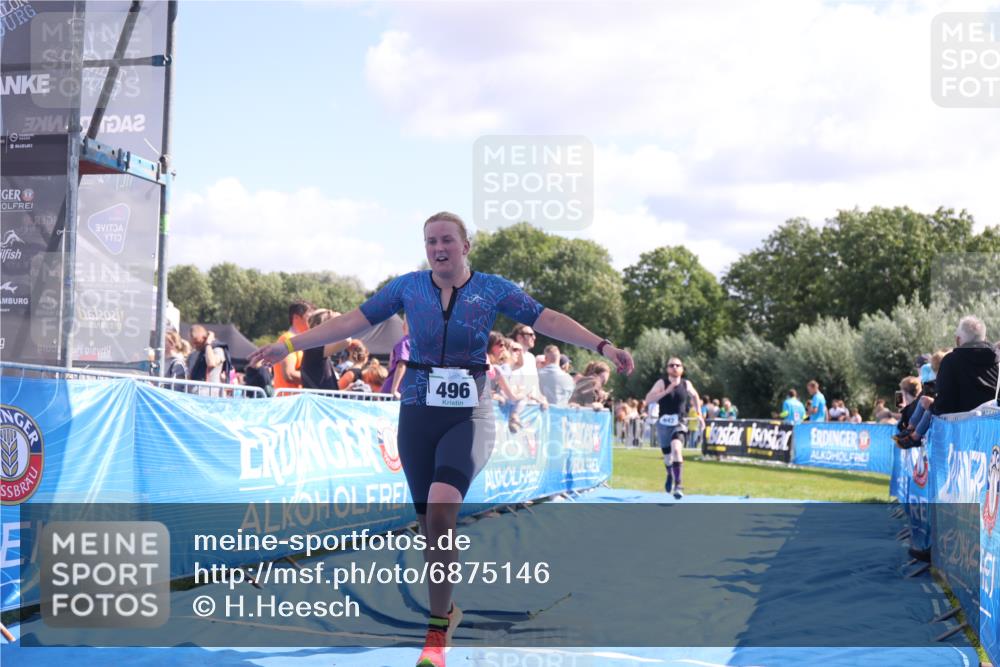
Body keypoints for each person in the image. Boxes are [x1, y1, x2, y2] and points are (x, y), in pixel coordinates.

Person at [247, 211, 633, 667]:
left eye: (447, 240)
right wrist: (290, 345)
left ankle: (435, 635)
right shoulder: (408, 288)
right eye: (431, 241)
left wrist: (603, 346)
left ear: (465, 246)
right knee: (430, 524)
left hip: (469, 414)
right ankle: (446, 611)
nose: (438, 248)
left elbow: (547, 318)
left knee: (443, 507)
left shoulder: (491, 289)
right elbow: (350, 321)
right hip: (418, 412)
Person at [897, 316, 1000, 446]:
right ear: (985, 339)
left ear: (958, 340)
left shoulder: (951, 361)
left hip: (959, 436)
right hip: (991, 436)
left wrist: (932, 407)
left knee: (929, 405)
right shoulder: (998, 363)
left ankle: (913, 436)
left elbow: (943, 404)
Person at [644, 357, 703, 499]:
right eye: (671, 365)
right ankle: (670, 474)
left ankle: (678, 485)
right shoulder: (661, 383)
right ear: (667, 369)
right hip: (663, 424)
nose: (675, 367)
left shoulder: (686, 384)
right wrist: (666, 391)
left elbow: (695, 396)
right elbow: (648, 399)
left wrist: (699, 414)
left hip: (679, 423)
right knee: (667, 458)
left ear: (682, 369)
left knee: (676, 449)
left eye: (678, 365)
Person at [300, 309, 350, 390]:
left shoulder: (315, 346)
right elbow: (347, 340)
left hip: (320, 397)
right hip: (318, 398)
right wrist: (339, 321)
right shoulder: (314, 347)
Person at [273, 300, 315, 390]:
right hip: (288, 397)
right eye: (310, 318)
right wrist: (317, 379)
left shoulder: (300, 341)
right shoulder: (287, 339)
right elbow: (289, 374)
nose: (313, 322)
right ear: (296, 317)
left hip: (296, 397)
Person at [382, 315, 411, 398]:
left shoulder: (405, 342)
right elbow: (401, 364)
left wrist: (394, 390)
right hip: (400, 391)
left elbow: (401, 365)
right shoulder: (408, 343)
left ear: (404, 326)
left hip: (397, 391)